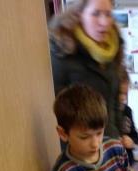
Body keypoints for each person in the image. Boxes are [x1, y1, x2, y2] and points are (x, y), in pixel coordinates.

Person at [48, 0, 125, 138]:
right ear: (79, 14)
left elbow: (114, 103)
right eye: (96, 14)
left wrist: (119, 138)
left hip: (111, 145)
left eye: (108, 14)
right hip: (82, 150)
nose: (104, 22)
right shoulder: (63, 52)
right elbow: (57, 114)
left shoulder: (113, 47)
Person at [119, 70, 138, 167]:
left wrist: (131, 142)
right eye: (119, 93)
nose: (123, 98)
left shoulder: (127, 111)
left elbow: (136, 137)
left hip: (127, 162)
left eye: (125, 94)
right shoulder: (105, 113)